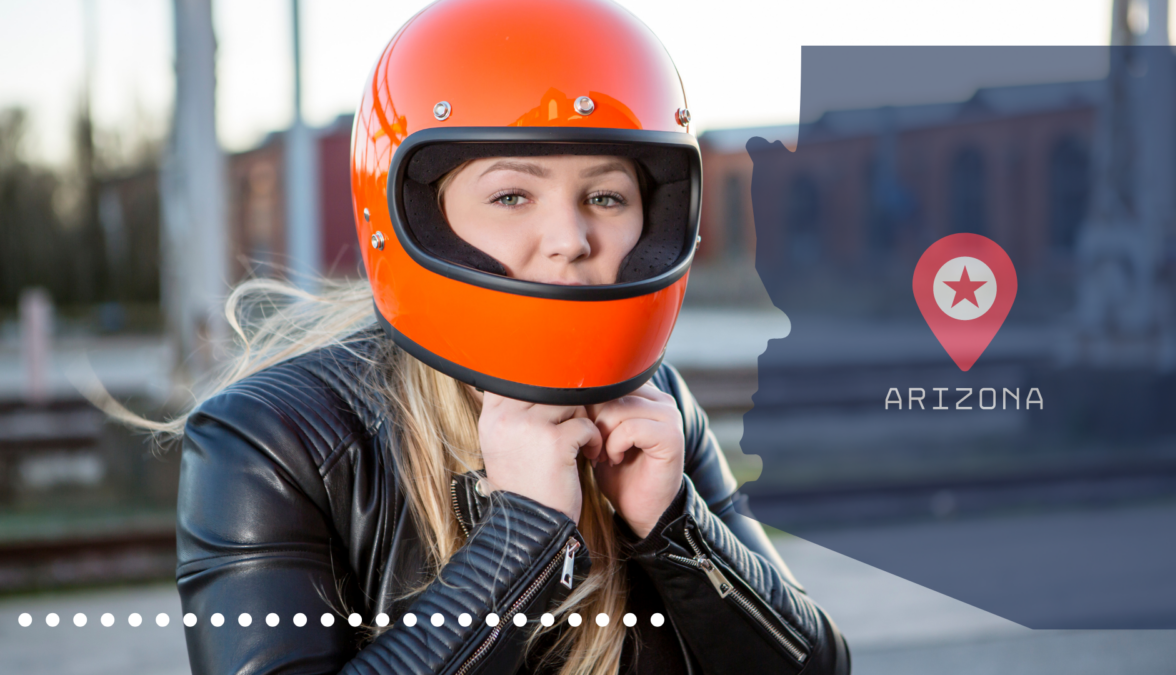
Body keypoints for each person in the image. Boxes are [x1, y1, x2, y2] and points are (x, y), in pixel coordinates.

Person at [115, 0, 850, 673]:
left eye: (605, 195)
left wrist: (674, 522)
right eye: (511, 195)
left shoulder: (657, 407)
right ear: (418, 214)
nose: (569, 237)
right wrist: (519, 537)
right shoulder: (273, 440)